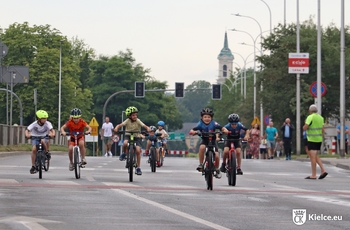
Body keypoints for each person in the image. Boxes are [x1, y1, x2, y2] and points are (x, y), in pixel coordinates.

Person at [189, 108, 228, 179]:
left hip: (213, 141)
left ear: (212, 118)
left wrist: (225, 130)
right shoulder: (200, 124)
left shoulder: (214, 123)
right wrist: (193, 132)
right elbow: (193, 129)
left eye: (209, 117)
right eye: (205, 117)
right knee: (202, 148)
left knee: (216, 155)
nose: (207, 119)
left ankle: (217, 169)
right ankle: (201, 164)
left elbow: (222, 128)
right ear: (202, 117)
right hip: (205, 140)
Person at [114, 106, 151, 176]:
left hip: (137, 136)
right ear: (129, 116)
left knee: (137, 150)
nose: (135, 116)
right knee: (125, 143)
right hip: (128, 135)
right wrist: (116, 128)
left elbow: (144, 126)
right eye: (133, 115)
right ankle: (124, 153)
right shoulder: (127, 121)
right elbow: (120, 125)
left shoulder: (138, 121)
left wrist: (148, 128)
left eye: (136, 115)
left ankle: (138, 167)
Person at [25, 110, 55, 174]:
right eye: (43, 118)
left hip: (44, 137)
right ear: (39, 119)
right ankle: (33, 166)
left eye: (46, 118)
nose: (45, 120)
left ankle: (46, 153)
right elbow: (27, 130)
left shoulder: (48, 123)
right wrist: (27, 135)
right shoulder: (34, 124)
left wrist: (52, 134)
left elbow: (52, 130)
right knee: (34, 150)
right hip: (35, 137)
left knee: (43, 141)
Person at [303, 104, 328, 179]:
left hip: (312, 139)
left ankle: (313, 174)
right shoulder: (321, 118)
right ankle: (323, 170)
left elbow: (305, 127)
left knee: (312, 157)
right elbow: (323, 129)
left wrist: (304, 126)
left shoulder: (310, 117)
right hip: (318, 139)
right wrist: (322, 137)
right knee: (314, 156)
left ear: (310, 110)